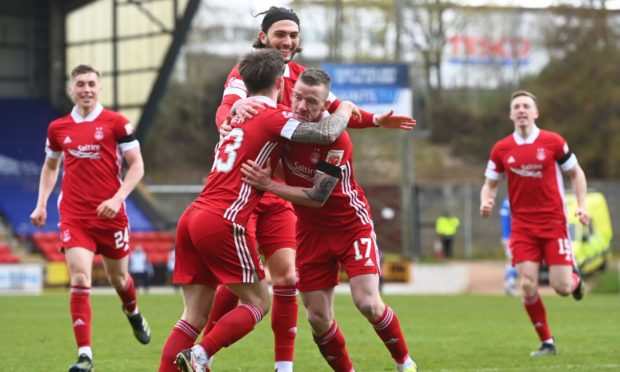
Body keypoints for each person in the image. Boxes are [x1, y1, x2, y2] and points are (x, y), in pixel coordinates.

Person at [206, 6, 415, 372]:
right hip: (266, 194)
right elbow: (227, 106)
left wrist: (373, 118)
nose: (287, 41)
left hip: (325, 213)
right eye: (279, 35)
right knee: (256, 282)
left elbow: (336, 118)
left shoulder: (308, 87)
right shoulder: (247, 73)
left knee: (360, 301)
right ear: (263, 38)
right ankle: (205, 350)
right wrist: (228, 123)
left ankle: (404, 363)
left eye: (293, 35)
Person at [158, 49, 360, 372]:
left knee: (192, 317)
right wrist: (345, 107)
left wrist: (236, 102)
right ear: (282, 84)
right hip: (224, 218)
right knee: (257, 302)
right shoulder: (274, 117)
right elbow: (325, 132)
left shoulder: (236, 116)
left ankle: (190, 357)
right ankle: (200, 355)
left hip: (193, 216)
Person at [241, 68, 417, 372]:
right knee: (317, 318)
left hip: (350, 226)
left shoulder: (338, 140)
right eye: (297, 97)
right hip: (309, 233)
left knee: (368, 304)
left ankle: (404, 363)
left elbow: (316, 196)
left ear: (326, 106)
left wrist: (269, 185)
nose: (301, 107)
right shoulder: (284, 125)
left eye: (311, 101)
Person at [29, 64, 151, 372]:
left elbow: (136, 167)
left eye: (91, 84)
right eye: (80, 84)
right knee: (80, 278)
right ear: (71, 89)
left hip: (111, 216)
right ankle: (85, 355)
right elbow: (50, 167)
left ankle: (133, 312)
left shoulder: (117, 124)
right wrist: (41, 204)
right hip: (75, 216)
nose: (86, 89)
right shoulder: (58, 128)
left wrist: (117, 198)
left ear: (99, 88)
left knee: (118, 279)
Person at [480, 90, 589, 357]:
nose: (521, 110)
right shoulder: (502, 148)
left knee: (561, 288)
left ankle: (576, 281)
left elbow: (576, 173)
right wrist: (487, 200)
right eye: (516, 106)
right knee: (527, 284)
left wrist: (582, 206)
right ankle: (547, 342)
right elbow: (490, 184)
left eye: (526, 105)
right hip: (523, 226)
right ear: (510, 114)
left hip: (553, 223)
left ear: (535, 112)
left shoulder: (553, 142)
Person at [500, 198, 518, 296]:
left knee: (511, 260)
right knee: (513, 260)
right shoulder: (509, 202)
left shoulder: (506, 202)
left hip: (512, 236)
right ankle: (509, 284)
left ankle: (510, 283)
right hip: (513, 237)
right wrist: (506, 237)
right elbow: (505, 221)